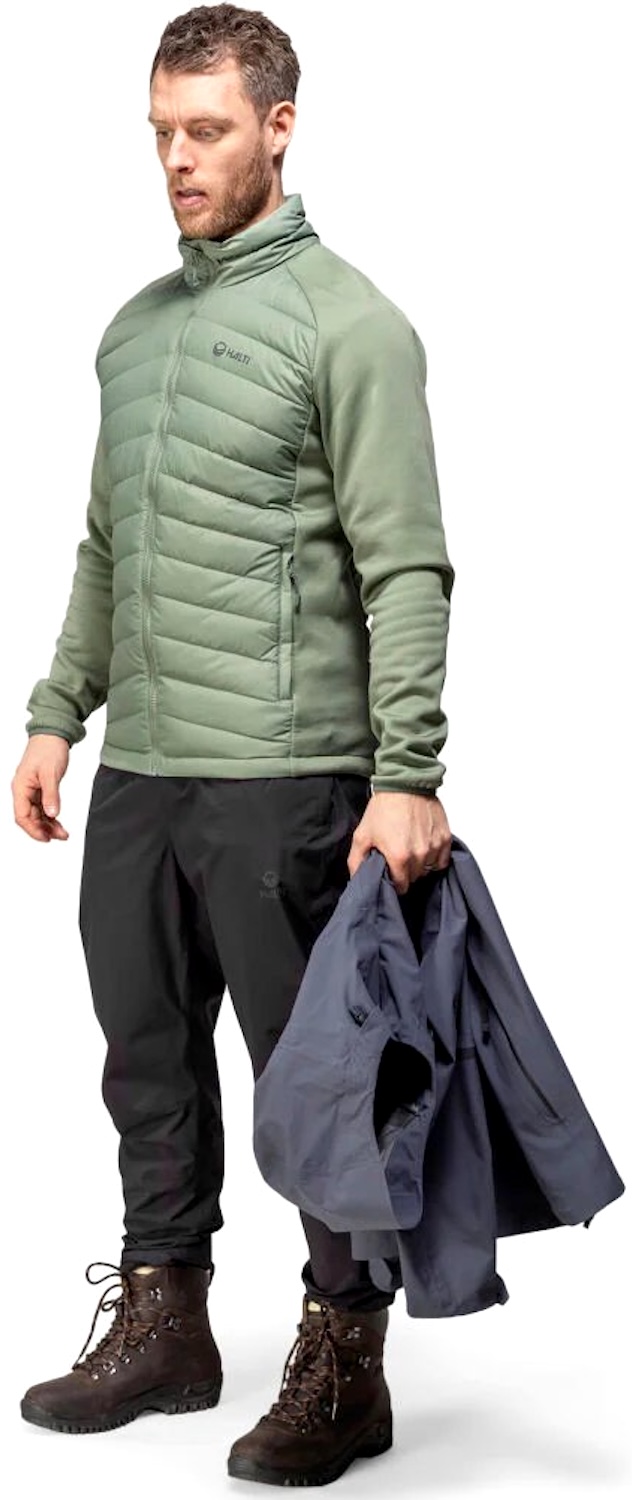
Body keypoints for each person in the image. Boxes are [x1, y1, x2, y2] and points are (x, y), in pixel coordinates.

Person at [11, 2, 455, 1486]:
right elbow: (106, 546)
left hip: (288, 777)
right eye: (160, 133)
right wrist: (58, 713)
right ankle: (167, 1325)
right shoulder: (134, 332)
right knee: (145, 1057)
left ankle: (347, 1363)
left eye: (205, 130)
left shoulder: (352, 324)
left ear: (279, 126)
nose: (178, 160)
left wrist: (407, 774)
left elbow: (406, 567)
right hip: (145, 771)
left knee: (315, 1078)